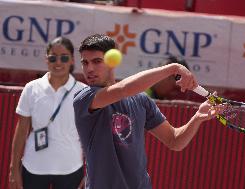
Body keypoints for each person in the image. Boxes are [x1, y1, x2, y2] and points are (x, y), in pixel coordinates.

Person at [73, 34, 226, 189]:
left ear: (112, 63)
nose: (89, 69)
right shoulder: (84, 98)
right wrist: (173, 68)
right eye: (85, 63)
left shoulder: (141, 100)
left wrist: (197, 118)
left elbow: (174, 141)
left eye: (97, 61)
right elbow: (123, 89)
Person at [9, 36, 86, 189]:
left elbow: (93, 134)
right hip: (33, 168)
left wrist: (90, 171)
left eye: (64, 58)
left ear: (72, 60)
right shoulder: (31, 88)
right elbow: (21, 129)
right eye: (53, 58)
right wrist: (13, 170)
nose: (58, 62)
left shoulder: (83, 91)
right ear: (46, 60)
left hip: (70, 170)